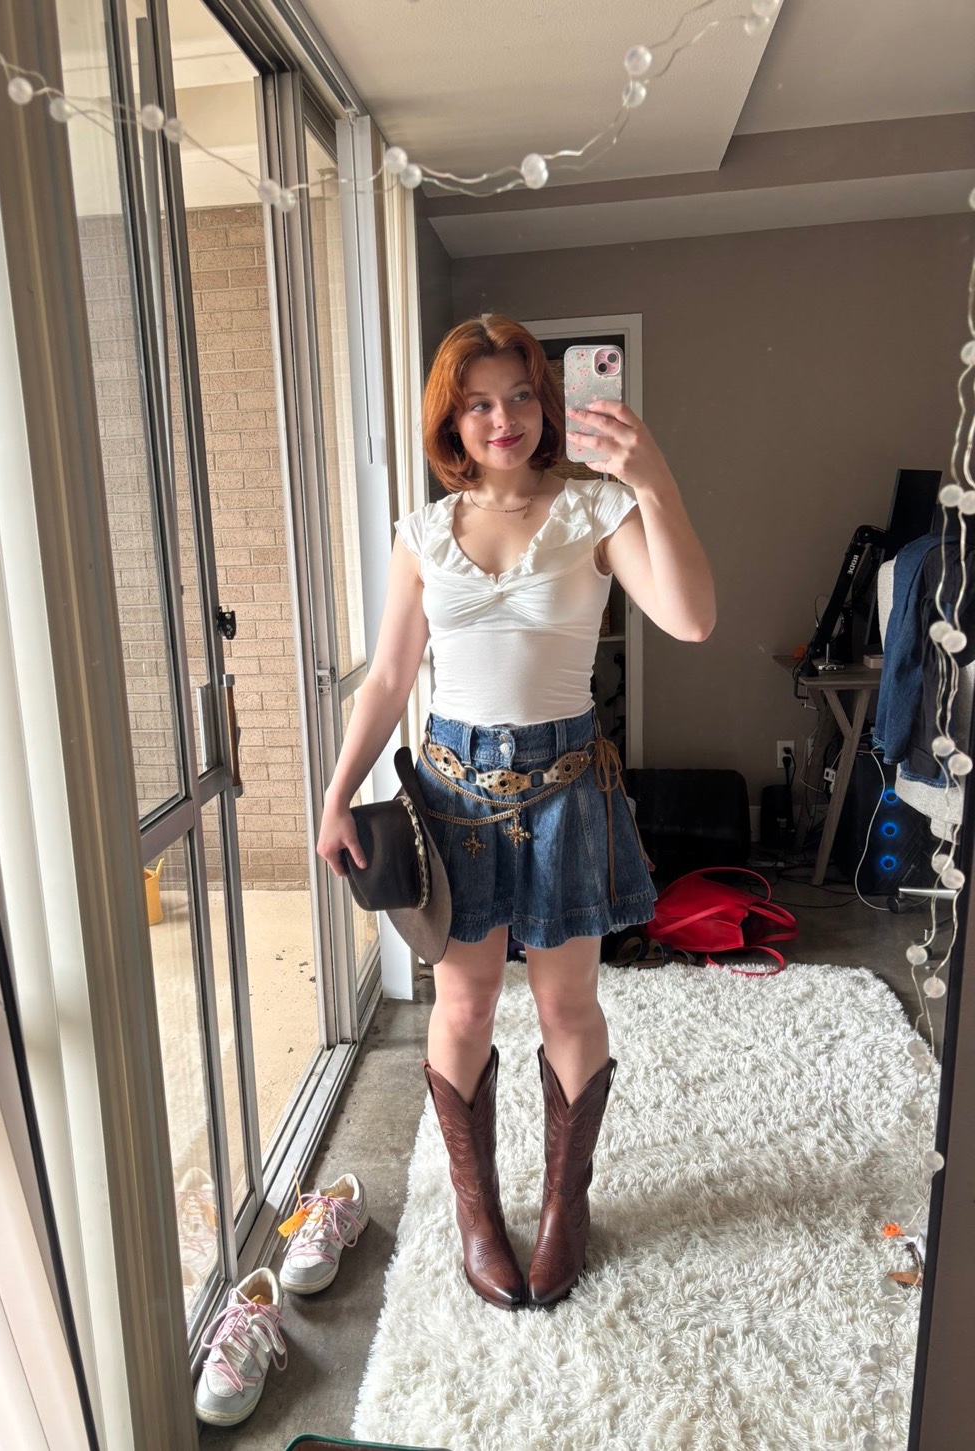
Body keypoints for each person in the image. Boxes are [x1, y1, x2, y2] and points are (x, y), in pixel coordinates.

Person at [317, 314, 716, 1310]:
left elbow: (691, 618)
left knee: (567, 1005)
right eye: (478, 403)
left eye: (521, 394)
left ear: (548, 399)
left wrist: (655, 480)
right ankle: (477, 1213)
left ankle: (562, 1209)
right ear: (451, 419)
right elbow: (388, 679)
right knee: (462, 1005)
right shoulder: (422, 533)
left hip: (566, 787)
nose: (503, 418)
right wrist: (336, 790)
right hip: (451, 795)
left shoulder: (595, 507)